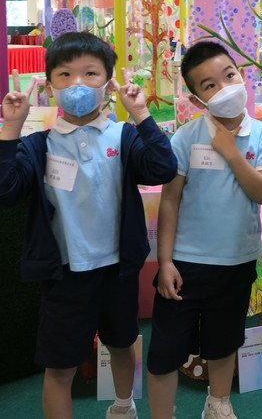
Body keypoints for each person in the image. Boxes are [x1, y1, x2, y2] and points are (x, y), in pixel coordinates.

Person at [0, 32, 178, 419]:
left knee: (122, 343)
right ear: (49, 87)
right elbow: (6, 190)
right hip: (64, 275)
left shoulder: (123, 136)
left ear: (108, 83)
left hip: (117, 269)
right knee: (59, 366)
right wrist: (11, 128)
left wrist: (141, 114)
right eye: (65, 75)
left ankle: (123, 406)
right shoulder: (39, 144)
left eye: (90, 73)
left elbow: (163, 168)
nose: (77, 84)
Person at [147, 41, 262, 419]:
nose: (224, 88)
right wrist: (165, 261)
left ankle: (218, 404)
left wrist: (231, 151)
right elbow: (169, 200)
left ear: (241, 75)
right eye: (210, 85)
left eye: (229, 76)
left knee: (224, 342)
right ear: (196, 98)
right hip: (185, 264)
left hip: (236, 261)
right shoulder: (186, 137)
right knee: (166, 350)